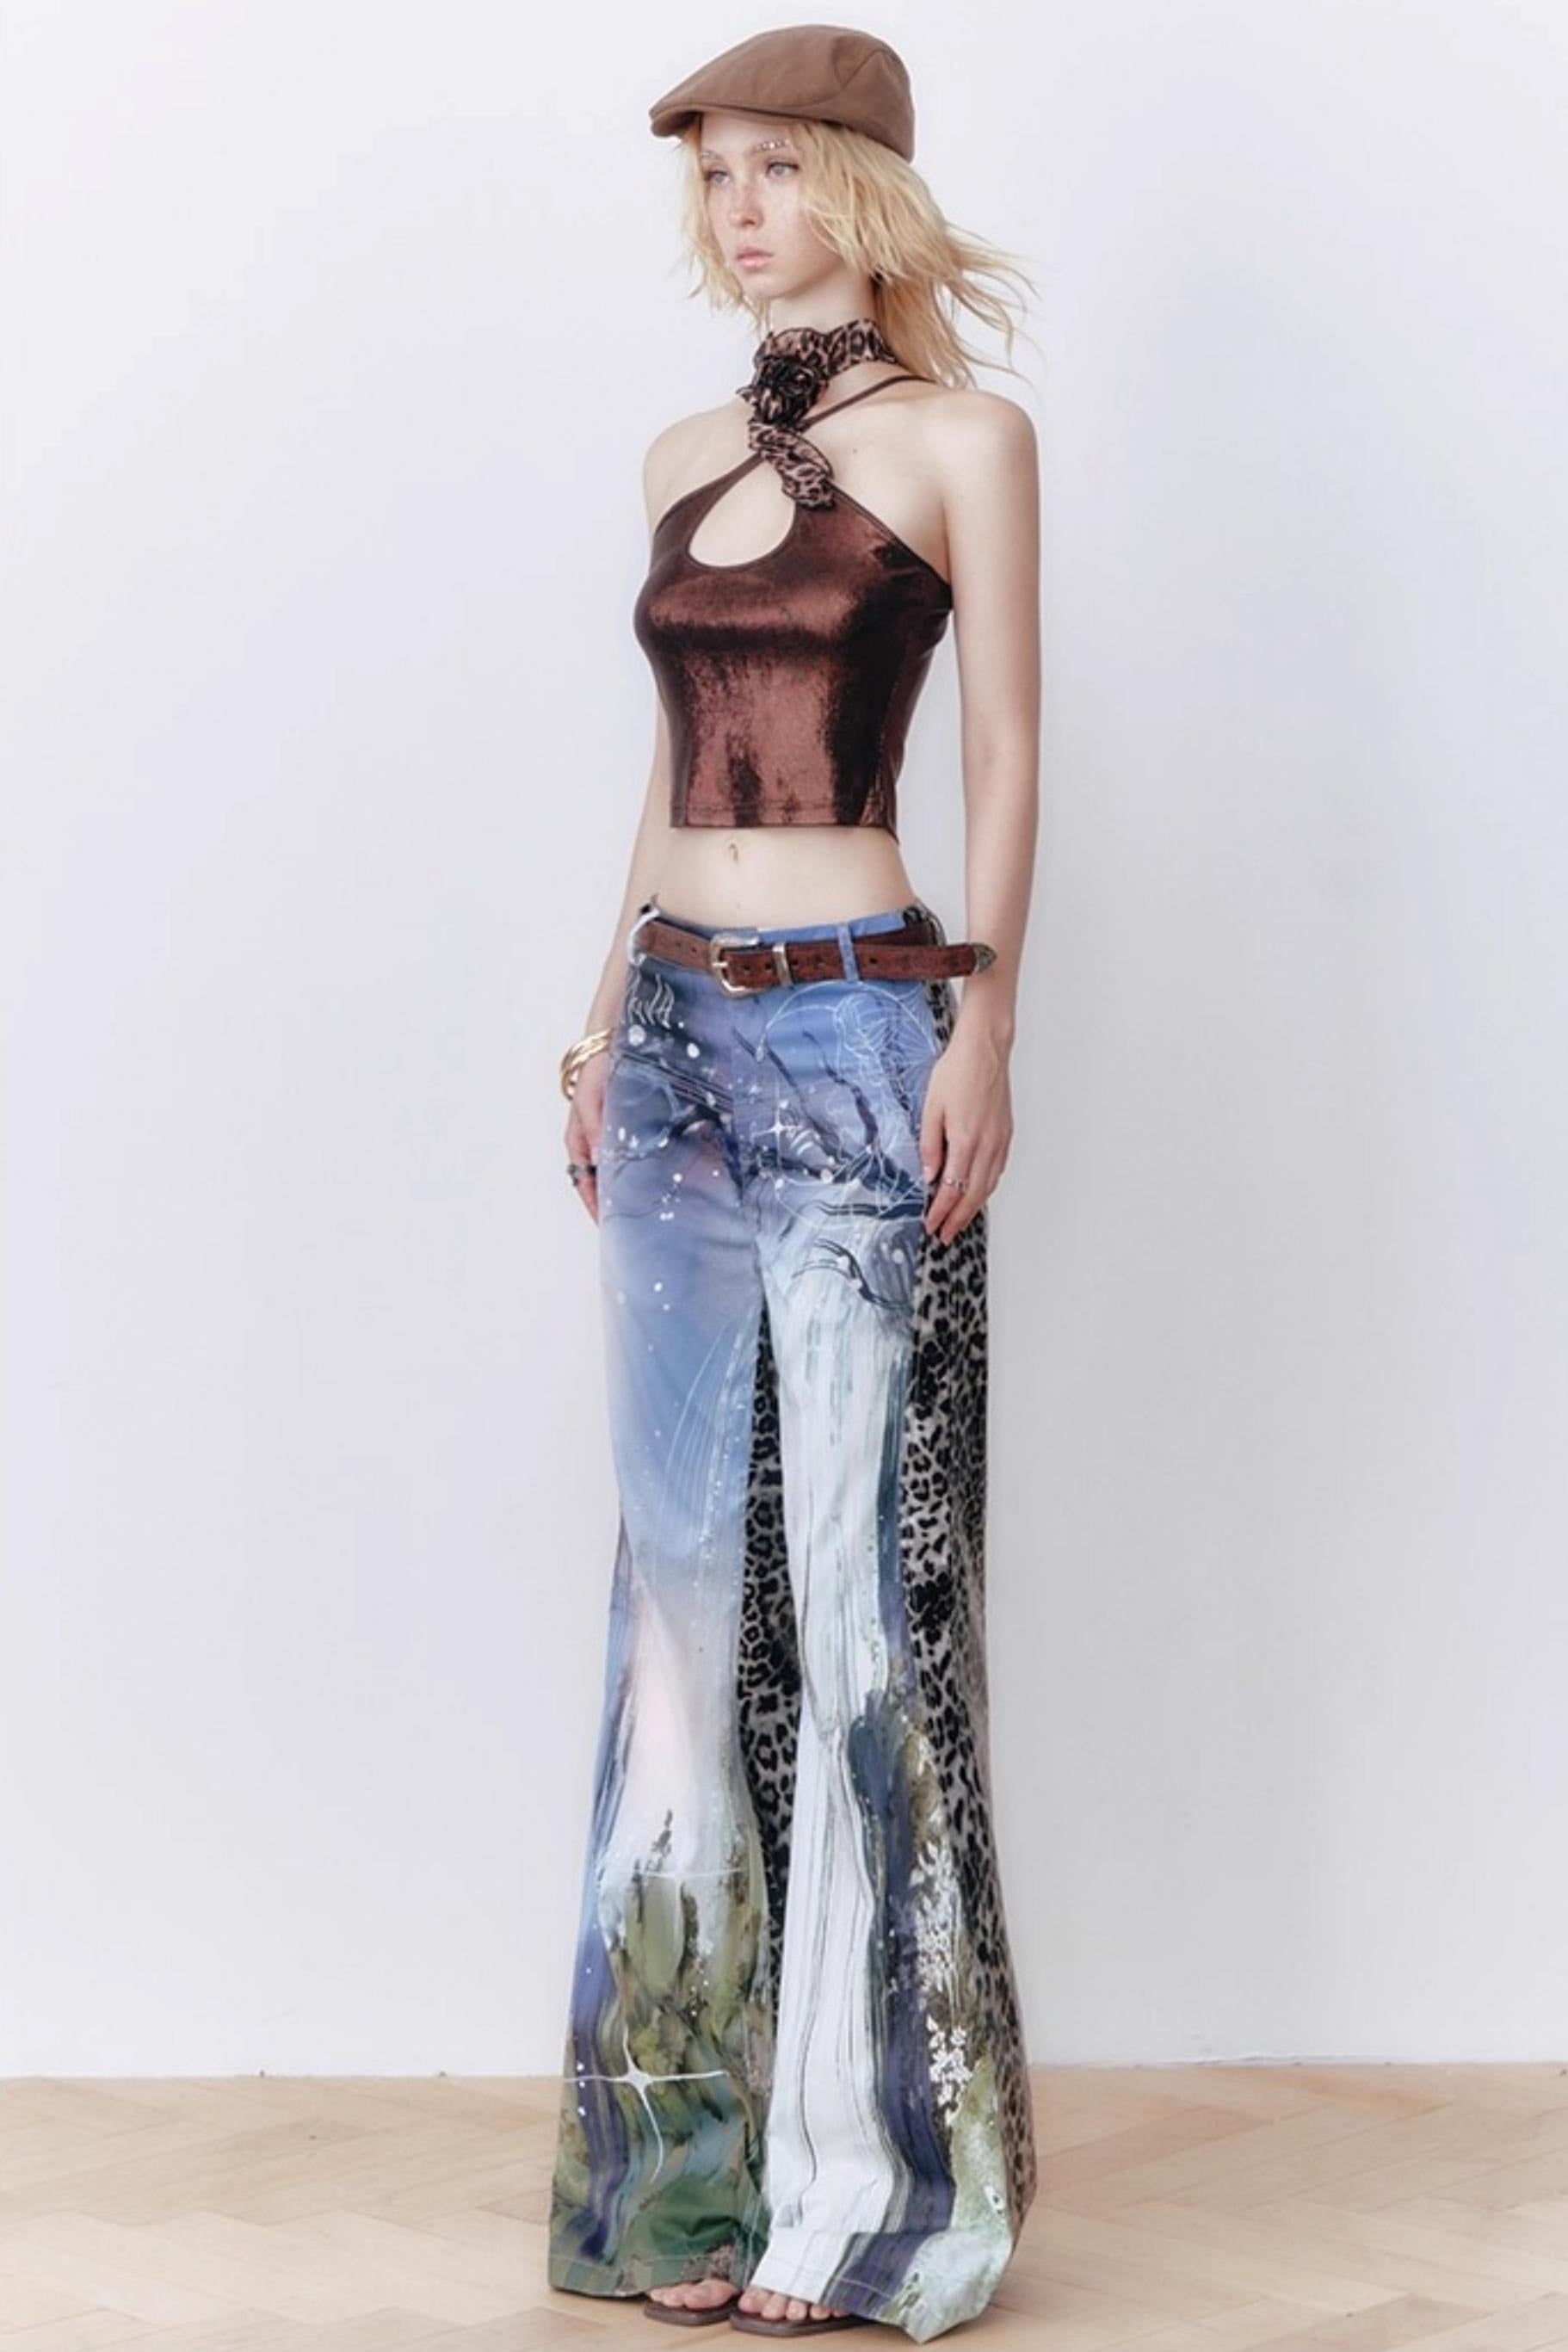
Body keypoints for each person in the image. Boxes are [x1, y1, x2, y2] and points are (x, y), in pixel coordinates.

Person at [547, 25, 1041, 2343]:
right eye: (718, 180)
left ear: (866, 185)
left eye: (777, 171)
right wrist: (593, 1019)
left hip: (860, 1031)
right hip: (671, 1040)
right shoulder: (678, 460)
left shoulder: (963, 441)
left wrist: (986, 1021)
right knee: (675, 1617)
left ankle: (883, 2203)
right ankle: (676, 2199)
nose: (742, 214)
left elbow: (1009, 749)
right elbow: (667, 783)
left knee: (864, 1609)